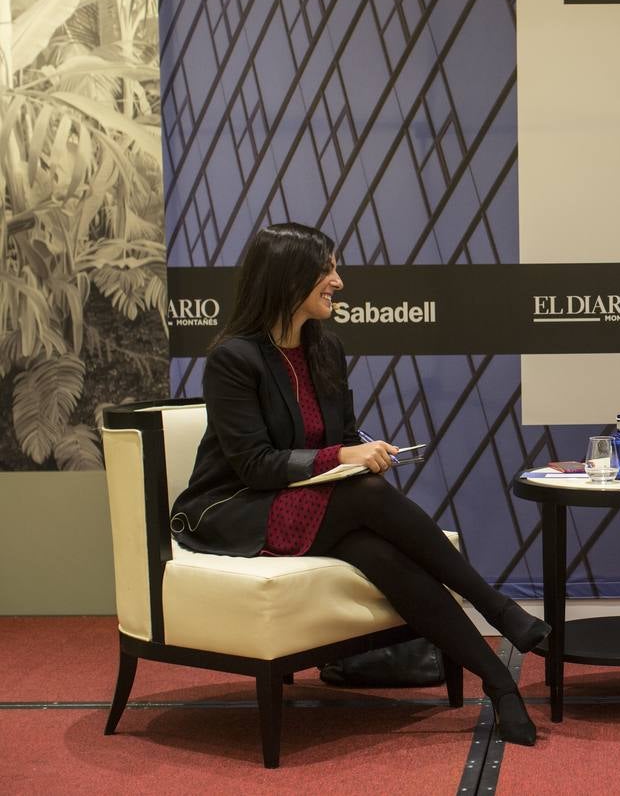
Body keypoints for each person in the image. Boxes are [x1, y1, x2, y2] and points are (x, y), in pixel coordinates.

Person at [171, 222, 549, 746]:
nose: (339, 281)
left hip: (304, 499)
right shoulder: (234, 358)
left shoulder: (325, 348)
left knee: (376, 550)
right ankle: (499, 611)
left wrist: (360, 455)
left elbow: (342, 437)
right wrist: (345, 457)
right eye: (326, 270)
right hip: (235, 506)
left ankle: (501, 683)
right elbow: (254, 465)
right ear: (287, 279)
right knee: (365, 500)